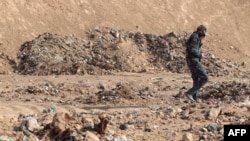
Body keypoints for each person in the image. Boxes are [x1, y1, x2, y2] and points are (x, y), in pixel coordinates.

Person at [185, 25, 208, 102]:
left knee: (197, 79)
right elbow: (192, 49)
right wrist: (200, 55)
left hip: (192, 60)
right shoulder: (195, 37)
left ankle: (195, 98)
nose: (204, 35)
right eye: (203, 33)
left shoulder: (196, 37)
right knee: (205, 77)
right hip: (193, 60)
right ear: (200, 31)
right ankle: (190, 93)